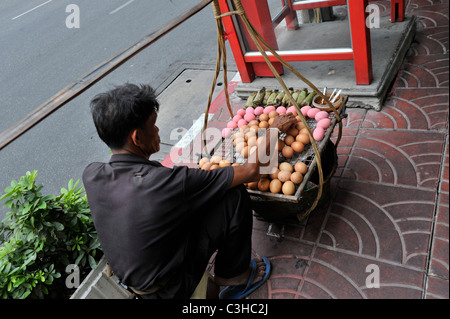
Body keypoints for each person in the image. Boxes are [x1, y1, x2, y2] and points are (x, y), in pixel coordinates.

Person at [82, 83, 297, 299]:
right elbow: (252, 171)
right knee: (234, 195)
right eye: (153, 125)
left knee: (212, 193)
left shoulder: (91, 174)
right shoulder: (165, 183)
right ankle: (233, 276)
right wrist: (274, 131)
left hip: (139, 279)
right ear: (136, 138)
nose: (157, 130)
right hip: (169, 289)